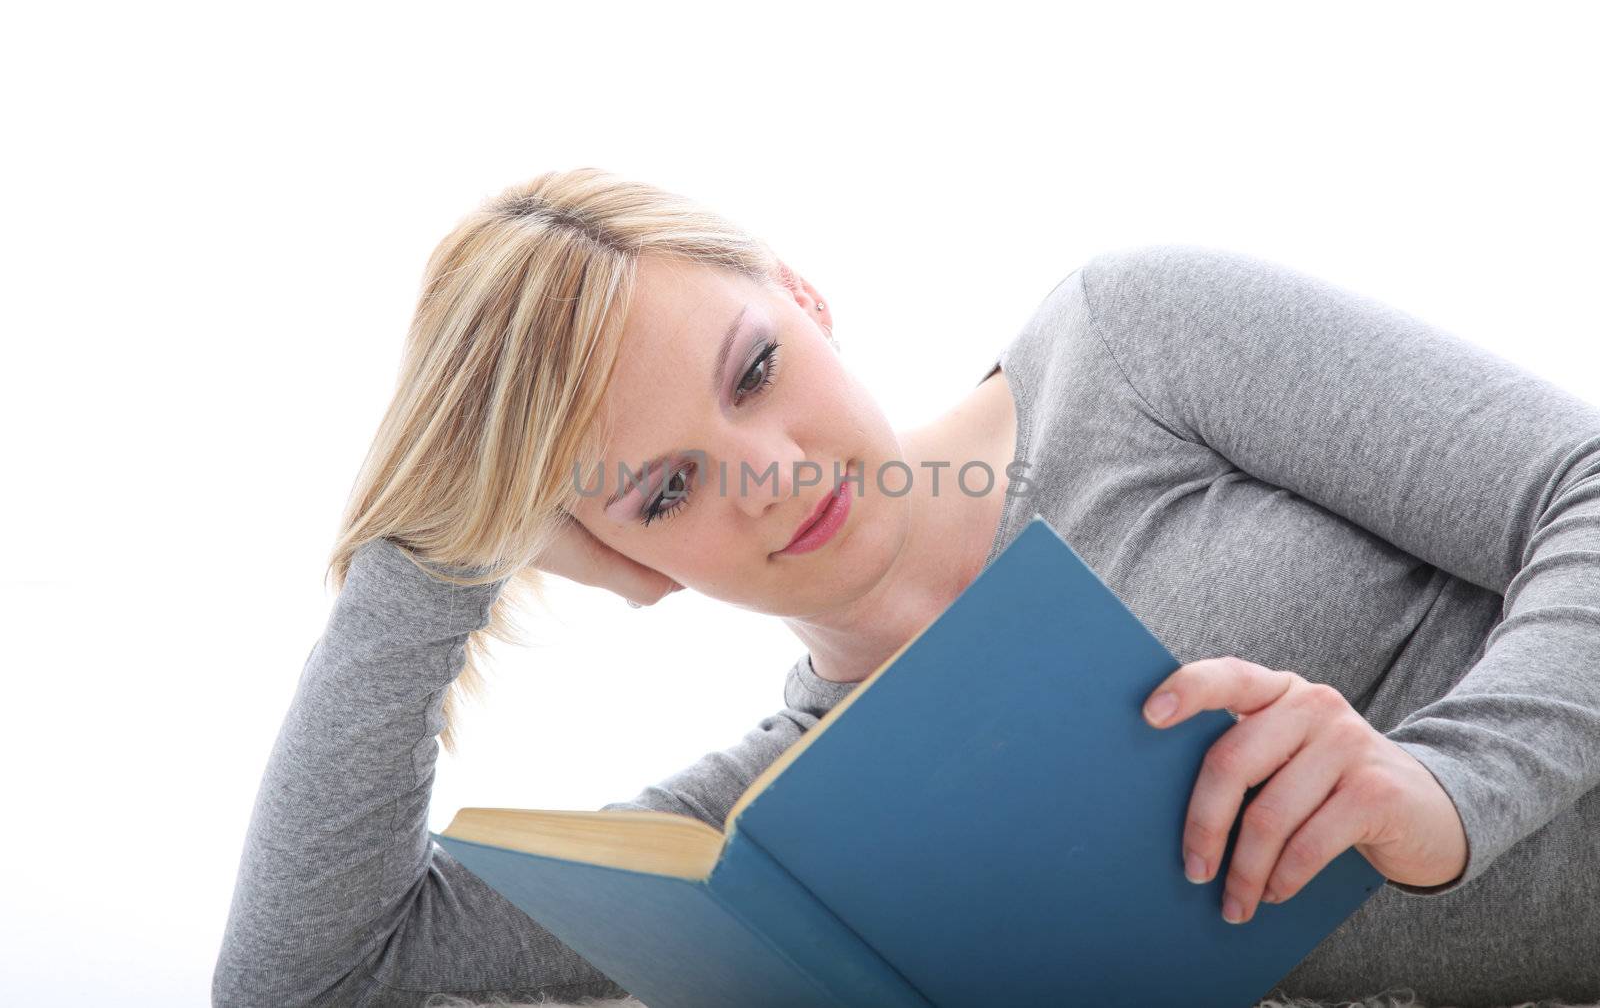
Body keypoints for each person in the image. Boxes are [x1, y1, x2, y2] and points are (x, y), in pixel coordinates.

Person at [212, 168, 1600, 1008]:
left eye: (753, 369)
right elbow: (309, 980)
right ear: (626, 565)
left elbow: (1581, 488)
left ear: (803, 294)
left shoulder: (1129, 352)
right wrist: (434, 558)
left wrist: (1447, 793)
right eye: (665, 490)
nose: (766, 472)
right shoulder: (781, 834)